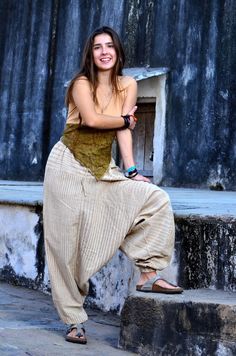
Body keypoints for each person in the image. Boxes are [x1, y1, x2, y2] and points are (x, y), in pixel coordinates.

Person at [43, 26, 183, 345]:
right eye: (97, 47)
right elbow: (93, 120)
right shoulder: (81, 83)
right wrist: (124, 120)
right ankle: (74, 320)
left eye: (110, 46)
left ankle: (149, 274)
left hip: (103, 168)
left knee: (153, 199)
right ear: (90, 54)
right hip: (67, 164)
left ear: (118, 52)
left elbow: (123, 131)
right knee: (64, 246)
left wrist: (132, 169)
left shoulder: (128, 84)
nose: (104, 51)